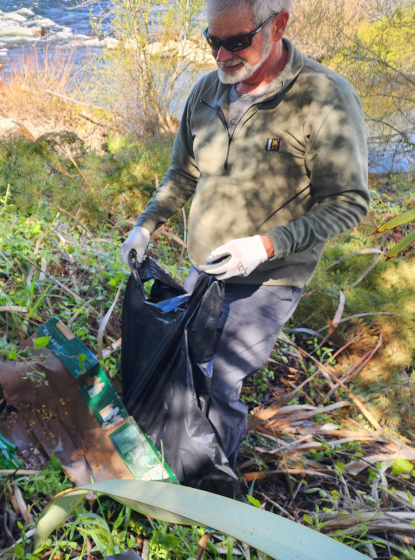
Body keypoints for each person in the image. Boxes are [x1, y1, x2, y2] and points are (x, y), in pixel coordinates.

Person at [121, 0, 370, 474]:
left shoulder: (325, 98)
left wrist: (265, 245)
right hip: (204, 265)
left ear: (278, 25)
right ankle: (173, 462)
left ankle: (212, 493)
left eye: (237, 42)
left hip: (269, 278)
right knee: (186, 368)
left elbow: (349, 202)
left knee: (217, 382)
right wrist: (145, 225)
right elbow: (183, 172)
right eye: (212, 41)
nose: (222, 55)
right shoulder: (206, 92)